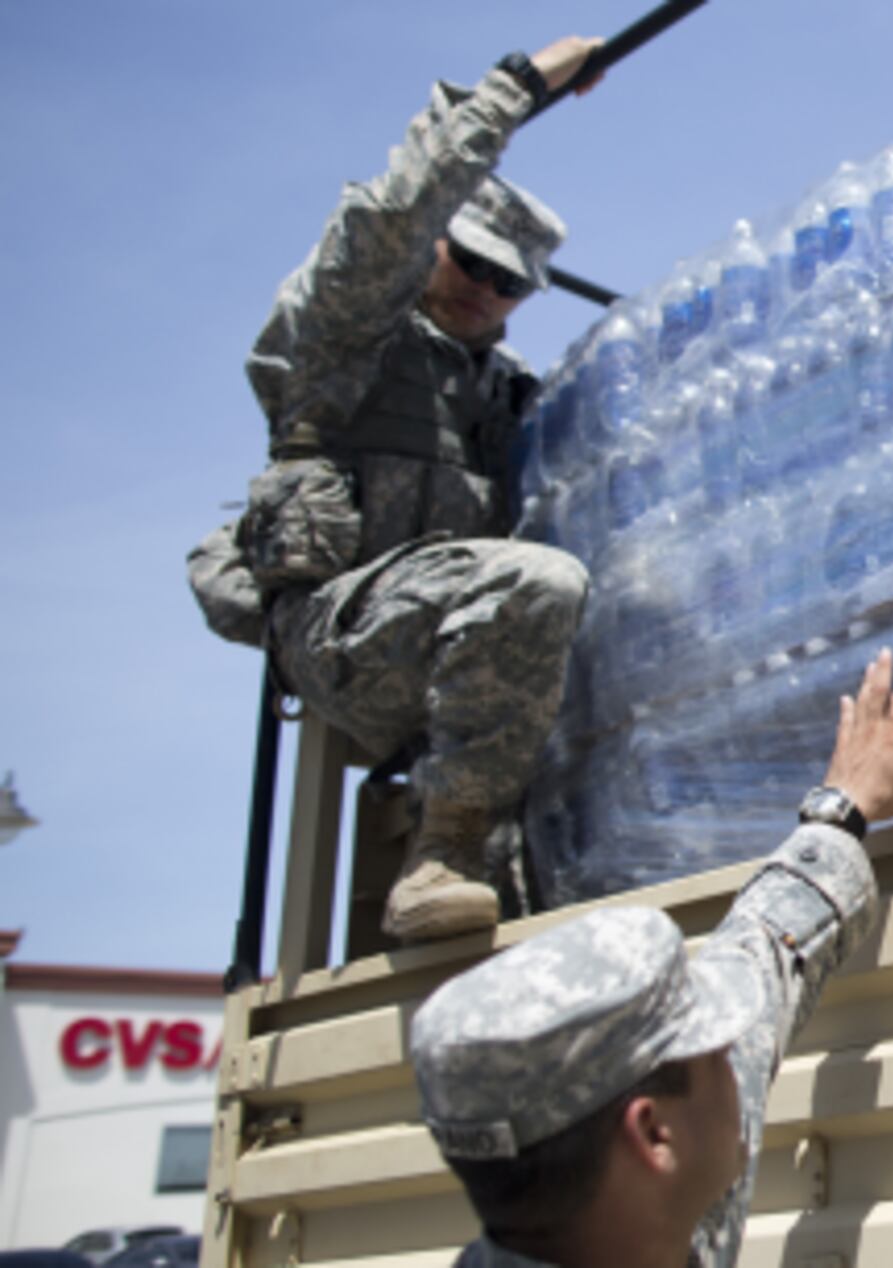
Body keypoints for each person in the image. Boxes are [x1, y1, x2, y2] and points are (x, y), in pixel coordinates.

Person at [191, 35, 605, 941]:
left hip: (459, 670)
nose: (485, 290)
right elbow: (386, 222)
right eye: (471, 261)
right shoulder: (347, 344)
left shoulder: (513, 400)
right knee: (538, 580)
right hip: (345, 634)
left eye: (509, 283)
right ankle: (442, 854)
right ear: (436, 244)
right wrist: (519, 90)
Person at [412, 650, 893, 1268]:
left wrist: (840, 814)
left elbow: (758, 960)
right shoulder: (655, 1220)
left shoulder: (629, 1218)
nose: (741, 1056)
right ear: (653, 1136)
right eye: (718, 1050)